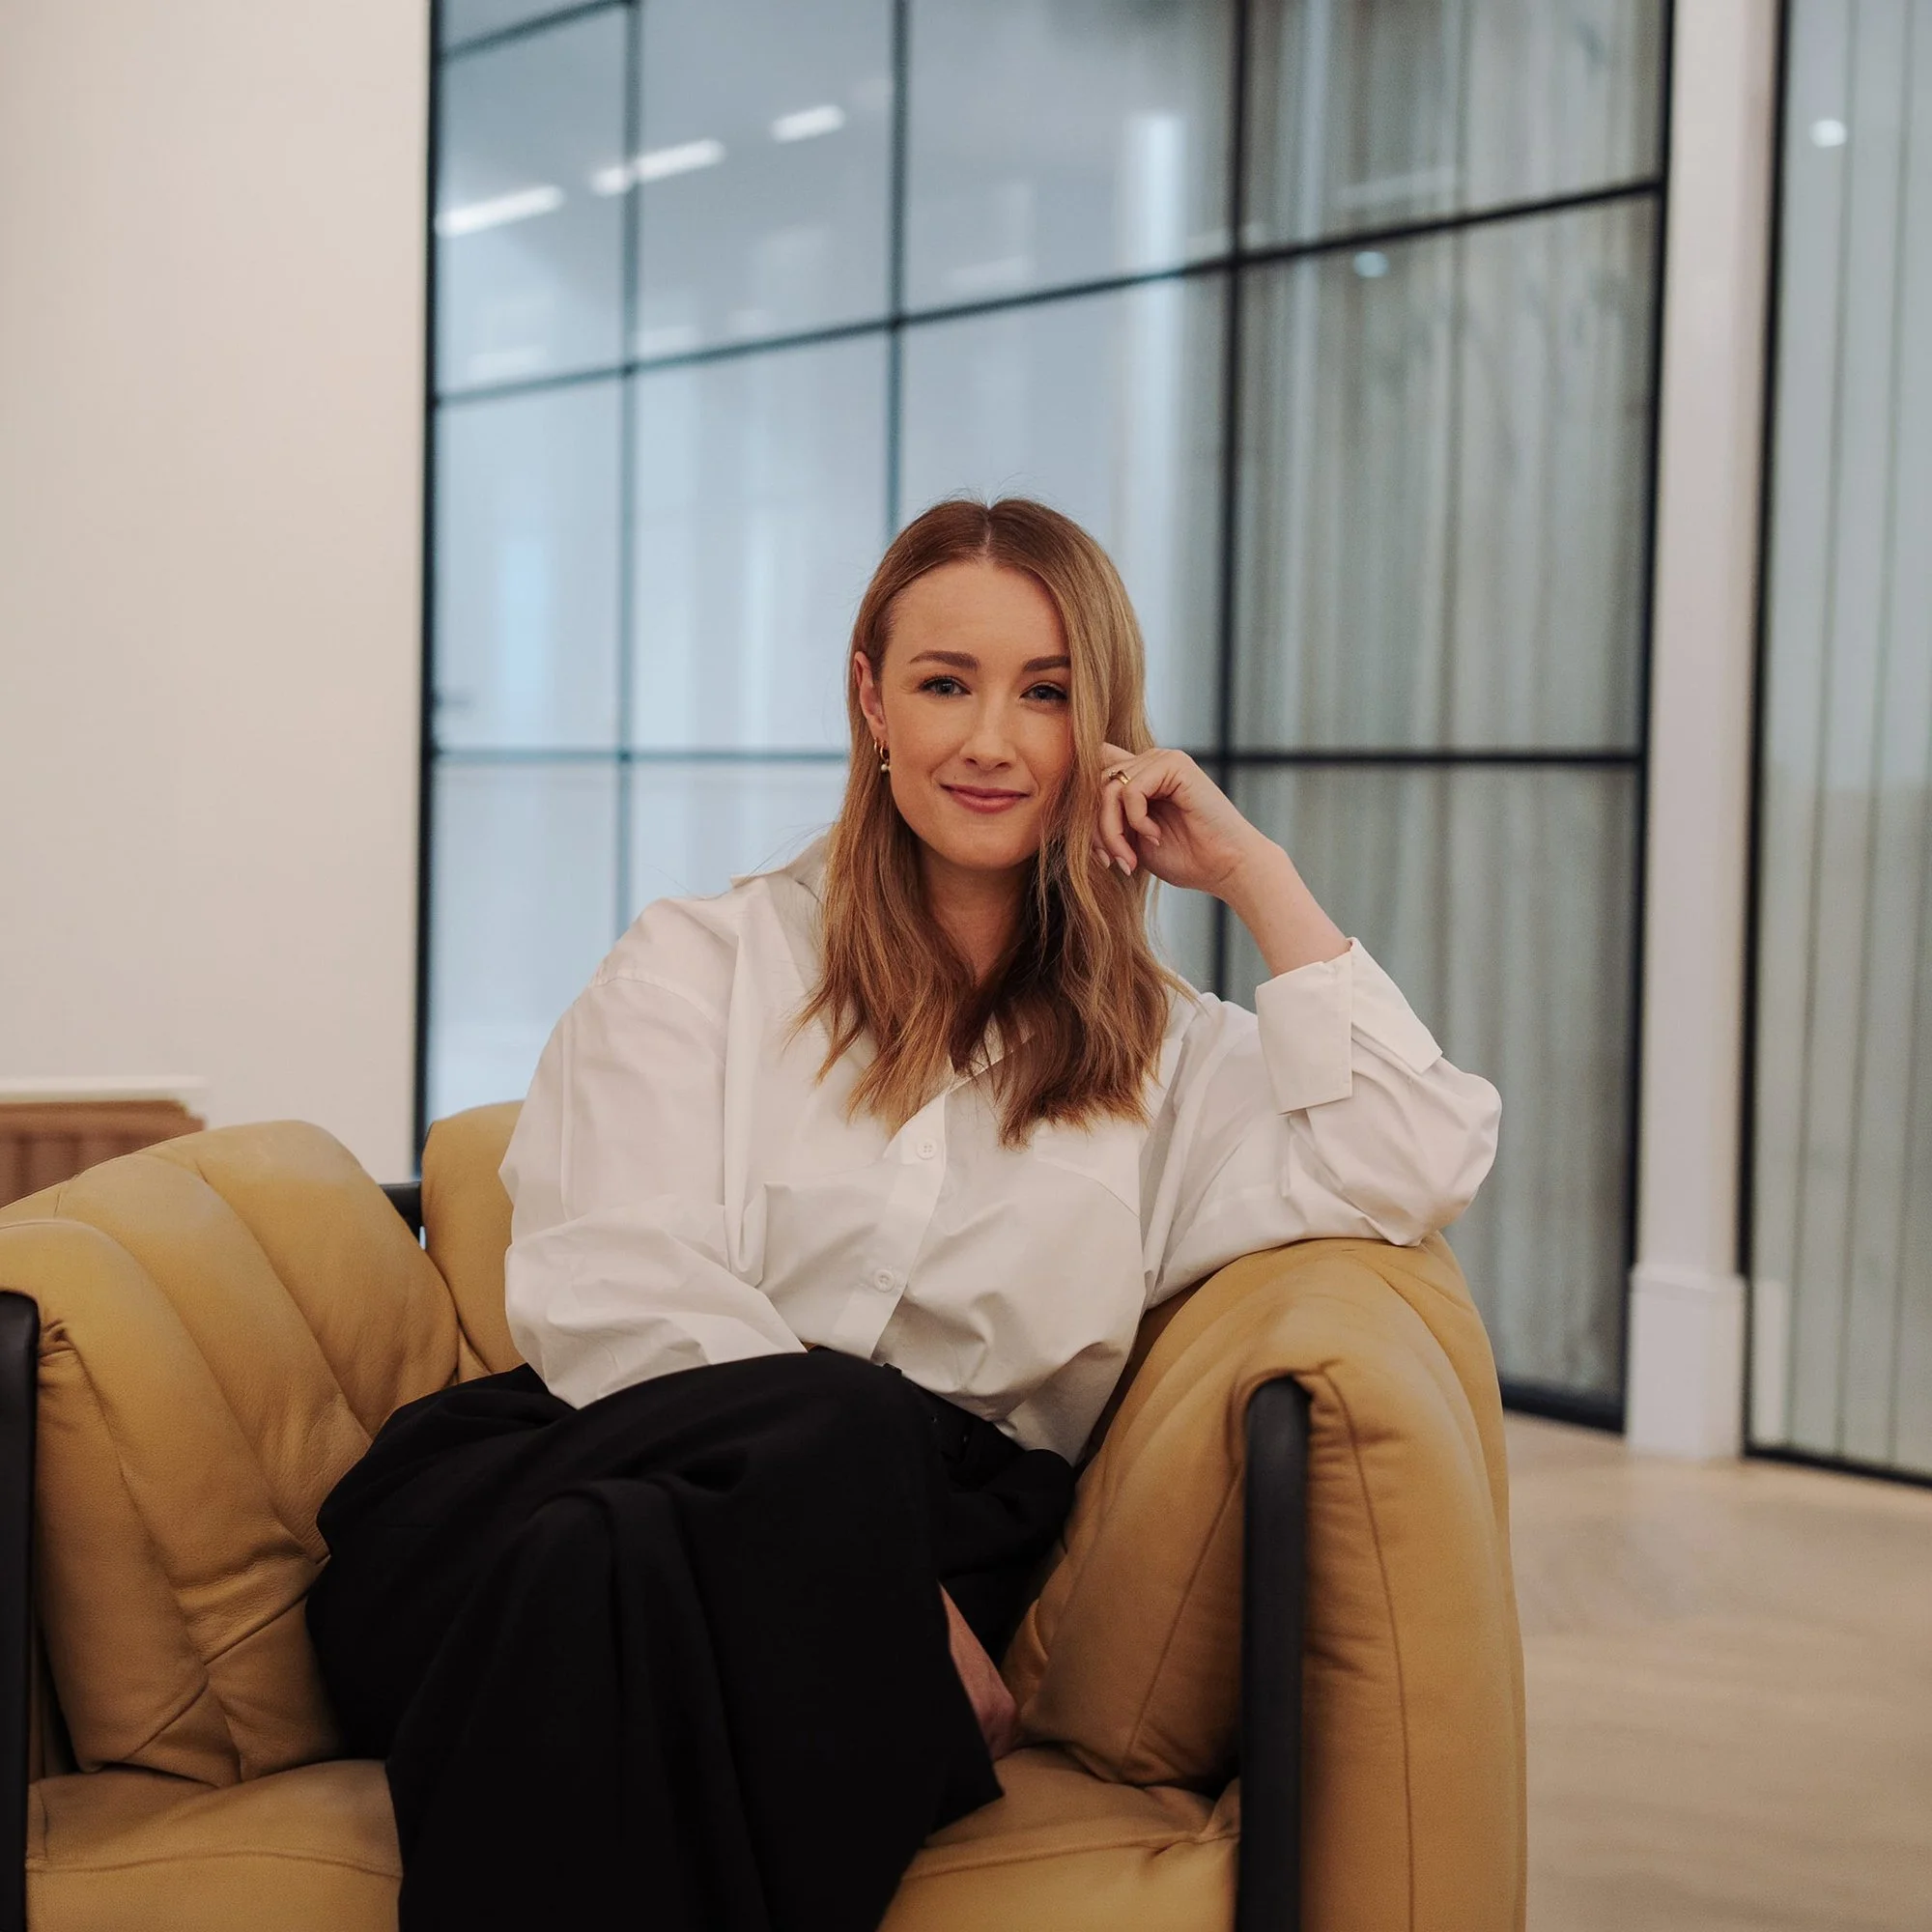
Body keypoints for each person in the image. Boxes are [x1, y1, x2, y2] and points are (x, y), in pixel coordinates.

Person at [306, 497, 1500, 1932]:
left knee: (614, 1561)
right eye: (945, 683)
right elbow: (610, 1287)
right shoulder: (702, 965)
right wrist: (873, 1563)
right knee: (819, 1435)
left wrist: (1254, 873)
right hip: (555, 1472)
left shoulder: (1171, 1062)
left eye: (1047, 694)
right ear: (871, 699)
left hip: (711, 1563)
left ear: (1105, 730)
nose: (991, 740)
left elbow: (1418, 1149)